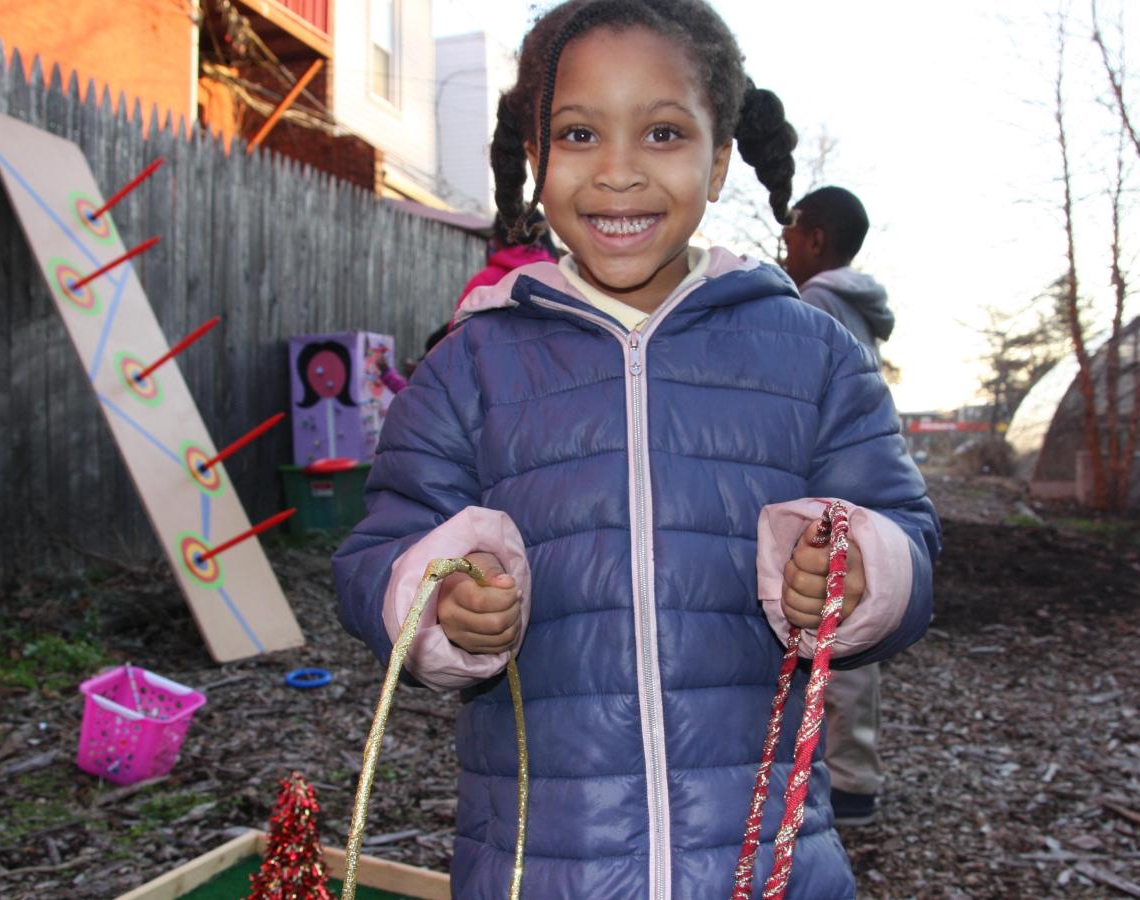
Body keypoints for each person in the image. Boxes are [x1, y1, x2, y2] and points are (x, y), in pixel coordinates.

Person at [332, 2, 938, 897]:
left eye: (661, 131)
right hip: (540, 869)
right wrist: (437, 601)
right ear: (537, 160)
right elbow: (376, 553)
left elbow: (908, 542)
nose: (618, 172)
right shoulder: (471, 366)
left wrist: (856, 571)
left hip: (766, 870)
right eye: (579, 133)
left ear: (718, 157)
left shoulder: (814, 357)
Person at [780, 185, 894, 828]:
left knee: (833, 623)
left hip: (832, 483)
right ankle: (855, 773)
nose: (787, 243)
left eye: (794, 230)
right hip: (862, 475)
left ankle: (847, 782)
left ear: (818, 238)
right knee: (853, 624)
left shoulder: (816, 303)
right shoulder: (857, 305)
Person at [780, 186, 895, 361]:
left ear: (816, 242)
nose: (785, 261)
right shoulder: (862, 312)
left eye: (788, 243)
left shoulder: (813, 302)